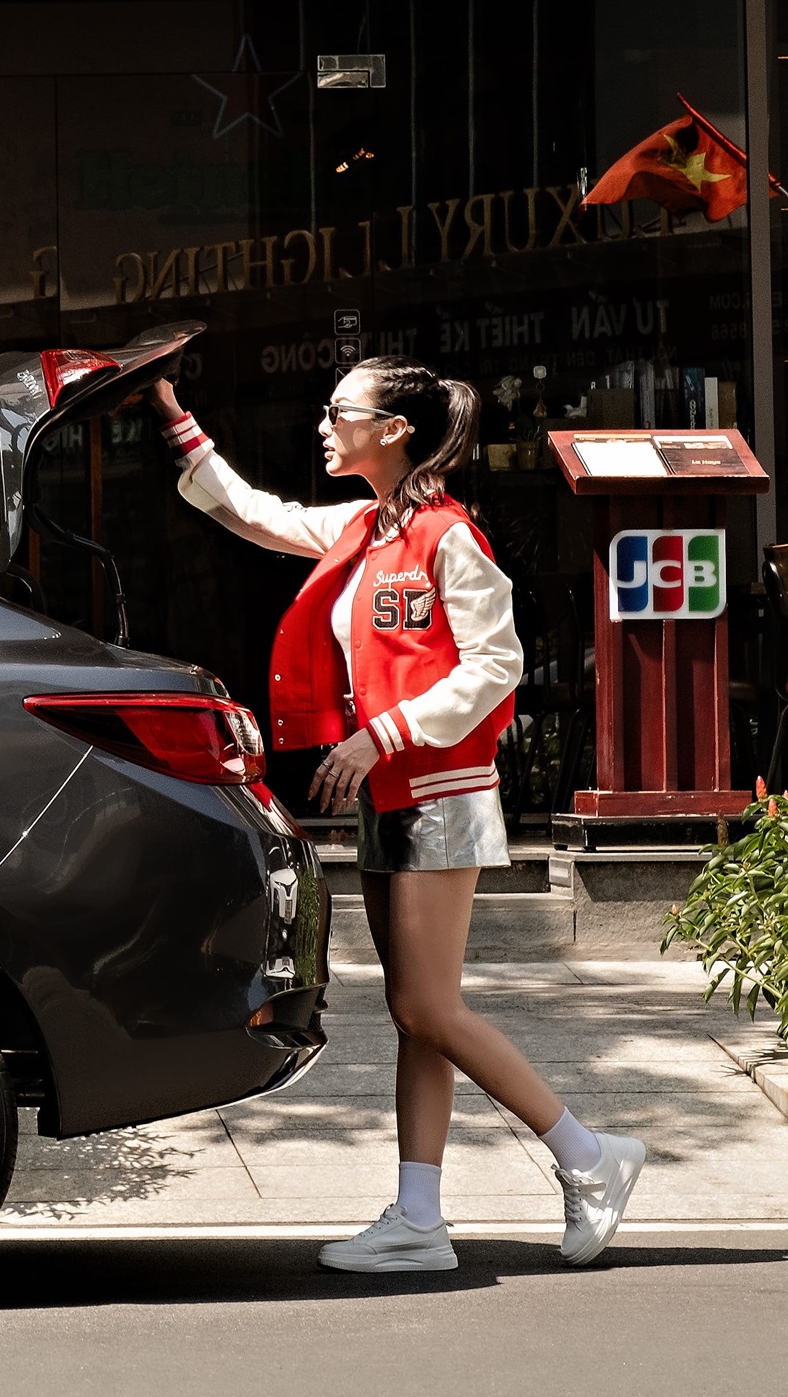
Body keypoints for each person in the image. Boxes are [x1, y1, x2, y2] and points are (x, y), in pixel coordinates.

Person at [153, 357, 643, 1273]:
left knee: (426, 1006)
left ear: (394, 430)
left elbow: (495, 665)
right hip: (391, 795)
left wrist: (379, 737)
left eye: (340, 411)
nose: (324, 424)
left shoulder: (449, 535)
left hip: (440, 793)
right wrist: (176, 418)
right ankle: (420, 1218)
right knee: (418, 1014)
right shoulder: (363, 527)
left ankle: (588, 1153)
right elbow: (252, 513)